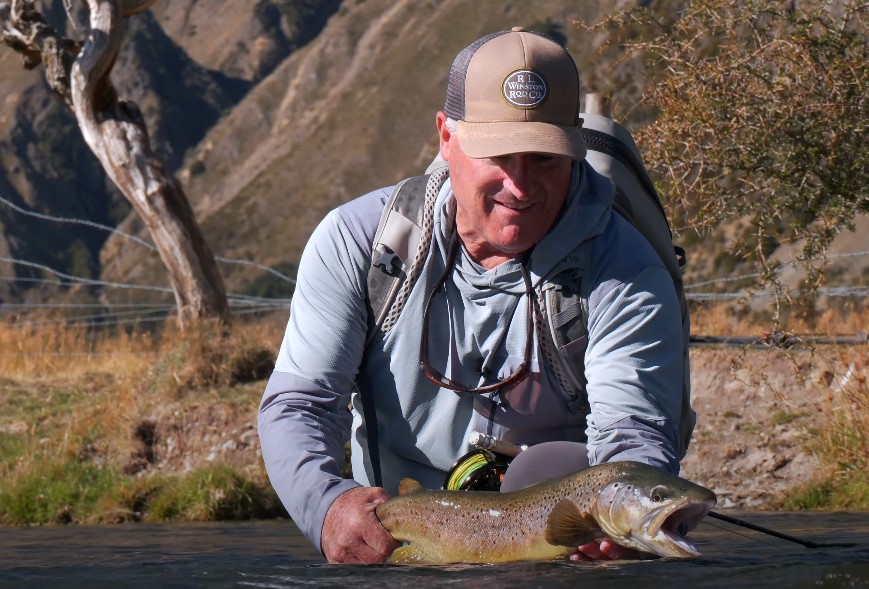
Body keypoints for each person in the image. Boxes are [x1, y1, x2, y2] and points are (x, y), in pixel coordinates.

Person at [258, 27, 690, 564]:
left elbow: (633, 434)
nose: (522, 185)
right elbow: (299, 406)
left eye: (544, 158)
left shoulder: (627, 273)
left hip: (559, 561)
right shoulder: (361, 244)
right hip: (395, 551)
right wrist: (326, 507)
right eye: (500, 156)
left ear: (574, 147)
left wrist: (627, 524)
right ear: (446, 136)